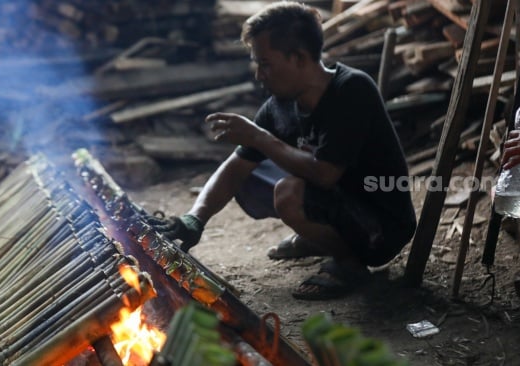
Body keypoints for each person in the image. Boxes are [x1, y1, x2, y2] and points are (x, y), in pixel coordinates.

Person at [146, 2, 416, 300]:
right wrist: (194, 219)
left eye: (265, 64)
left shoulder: (351, 90)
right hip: (341, 203)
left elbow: (325, 174)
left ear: (299, 58)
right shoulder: (280, 105)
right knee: (245, 171)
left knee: (288, 192)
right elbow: (236, 166)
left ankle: (349, 264)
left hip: (381, 227)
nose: (260, 75)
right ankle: (321, 237)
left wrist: (259, 137)